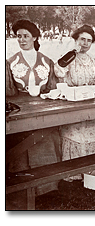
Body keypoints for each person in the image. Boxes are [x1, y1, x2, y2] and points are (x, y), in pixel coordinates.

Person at [6, 19, 60, 196]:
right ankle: (22, 187)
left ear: (35, 37)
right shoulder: (10, 63)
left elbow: (53, 89)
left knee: (46, 136)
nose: (21, 40)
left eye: (26, 36)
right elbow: (8, 93)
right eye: (18, 36)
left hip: (44, 111)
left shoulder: (47, 61)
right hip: (20, 113)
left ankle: (48, 186)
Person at [54, 25, 95, 181]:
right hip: (71, 105)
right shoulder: (68, 58)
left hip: (90, 105)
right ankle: (75, 172)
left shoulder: (94, 61)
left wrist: (90, 89)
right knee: (74, 131)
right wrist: (71, 54)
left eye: (89, 41)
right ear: (75, 40)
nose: (85, 43)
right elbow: (58, 72)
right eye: (82, 39)